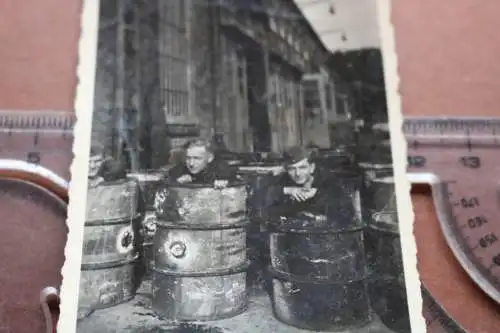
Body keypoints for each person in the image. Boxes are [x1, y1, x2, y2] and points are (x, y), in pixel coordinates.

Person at [267, 146, 334, 218]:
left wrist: (317, 192)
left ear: (312, 168)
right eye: (292, 169)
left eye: (302, 168)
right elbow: (263, 202)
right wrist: (287, 190)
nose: (297, 174)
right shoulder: (284, 179)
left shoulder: (328, 182)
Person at [164, 138, 239, 189]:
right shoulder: (180, 169)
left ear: (210, 158)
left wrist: (225, 183)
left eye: (197, 158)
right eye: (188, 158)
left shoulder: (223, 171)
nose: (191, 164)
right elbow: (166, 183)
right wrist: (176, 182)